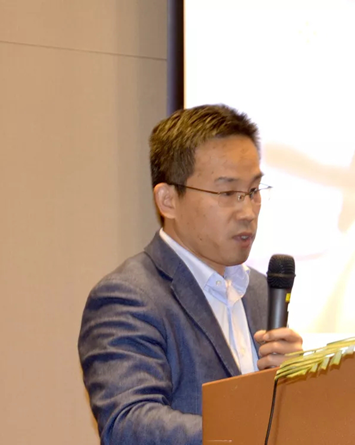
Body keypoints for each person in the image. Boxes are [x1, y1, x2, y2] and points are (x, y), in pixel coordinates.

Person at [78, 104, 303, 445]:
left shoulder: (259, 289)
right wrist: (251, 434)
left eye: (254, 191)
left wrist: (297, 386)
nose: (247, 211)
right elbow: (128, 424)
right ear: (168, 200)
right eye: (227, 193)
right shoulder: (128, 297)